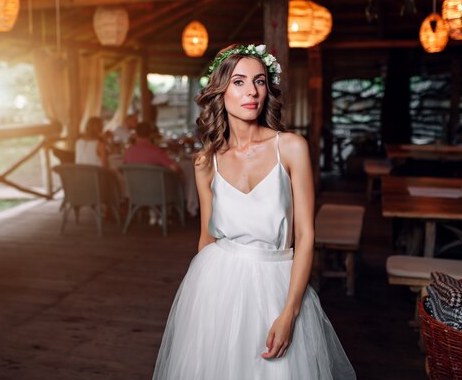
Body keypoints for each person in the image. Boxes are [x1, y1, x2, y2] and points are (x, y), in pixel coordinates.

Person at [152, 44, 356, 380]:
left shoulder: (290, 147)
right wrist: (202, 305)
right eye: (239, 82)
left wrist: (290, 313)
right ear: (220, 91)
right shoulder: (205, 161)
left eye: (259, 81)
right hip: (217, 280)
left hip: (277, 282)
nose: (251, 91)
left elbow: (306, 236)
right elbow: (207, 237)